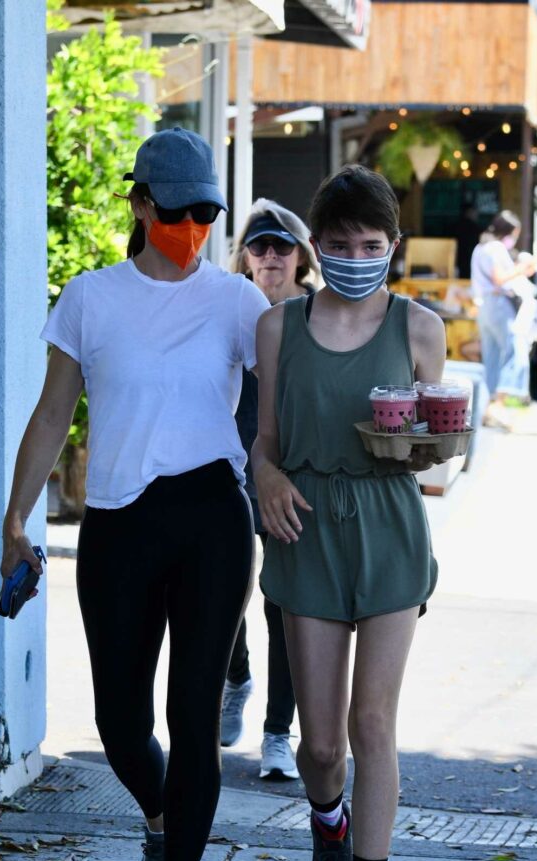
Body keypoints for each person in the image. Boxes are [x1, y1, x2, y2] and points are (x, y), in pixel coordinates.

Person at [0, 127, 268, 861]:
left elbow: (292, 393)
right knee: (120, 720)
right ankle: (159, 821)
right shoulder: (91, 298)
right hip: (118, 521)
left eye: (207, 213)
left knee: (192, 715)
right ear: (141, 206)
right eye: (179, 211)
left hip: (211, 519)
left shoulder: (236, 301)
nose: (193, 226)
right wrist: (15, 517)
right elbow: (52, 415)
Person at [252, 165, 445, 861]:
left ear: (392, 246)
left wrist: (432, 451)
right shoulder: (279, 328)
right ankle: (325, 821)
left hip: (390, 528)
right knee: (322, 746)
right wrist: (261, 473)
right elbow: (263, 438)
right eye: (339, 245)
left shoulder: (420, 325)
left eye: (371, 245)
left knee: (373, 725)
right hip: (306, 530)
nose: (356, 256)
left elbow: (436, 450)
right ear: (314, 249)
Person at [220, 199, 319, 780]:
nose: (271, 255)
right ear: (244, 255)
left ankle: (278, 733)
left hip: (291, 471)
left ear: (300, 255)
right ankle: (236, 677)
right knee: (222, 588)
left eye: (282, 246)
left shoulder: (314, 314)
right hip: (230, 464)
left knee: (281, 601)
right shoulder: (231, 307)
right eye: (259, 245)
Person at [470, 210, 537, 424]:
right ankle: (499, 404)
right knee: (513, 350)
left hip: (484, 305)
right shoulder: (496, 248)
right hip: (499, 303)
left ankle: (487, 405)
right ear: (509, 231)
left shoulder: (480, 247)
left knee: (491, 354)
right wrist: (522, 268)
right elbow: (500, 278)